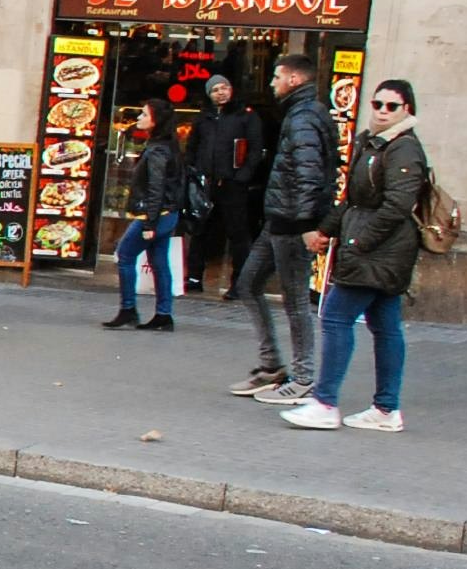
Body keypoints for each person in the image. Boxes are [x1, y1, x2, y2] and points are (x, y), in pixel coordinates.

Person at [284, 80, 426, 432]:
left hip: (380, 251)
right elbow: (352, 199)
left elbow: (397, 206)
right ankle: (386, 409)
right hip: (371, 247)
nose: (382, 110)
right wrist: (326, 230)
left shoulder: (404, 149)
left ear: (407, 110)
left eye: (392, 106)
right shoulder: (372, 142)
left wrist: (357, 242)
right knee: (385, 325)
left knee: (335, 316)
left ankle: (325, 402)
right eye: (377, 103)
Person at [232, 53, 338, 405]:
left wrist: (308, 224)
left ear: (294, 79)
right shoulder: (299, 113)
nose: (272, 82)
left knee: (294, 301)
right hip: (279, 218)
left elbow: (308, 172)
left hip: (293, 223)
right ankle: (271, 365)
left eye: (277, 77)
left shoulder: (305, 117)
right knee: (248, 284)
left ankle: (304, 377)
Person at [102, 98, 182, 333]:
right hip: (167, 213)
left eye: (144, 115)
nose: (139, 118)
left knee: (125, 254)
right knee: (159, 262)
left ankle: (129, 309)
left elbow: (156, 187)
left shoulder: (158, 150)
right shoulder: (167, 146)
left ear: (156, 121)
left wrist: (149, 221)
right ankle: (163, 315)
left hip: (155, 214)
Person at [183, 74, 261, 296]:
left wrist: (243, 175)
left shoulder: (246, 116)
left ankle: (239, 284)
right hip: (205, 183)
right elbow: (192, 147)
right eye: (216, 89)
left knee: (237, 234)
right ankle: (195, 278)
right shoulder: (203, 118)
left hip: (233, 184)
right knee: (199, 231)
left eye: (225, 87)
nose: (221, 92)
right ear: (209, 94)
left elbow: (255, 149)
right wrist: (192, 171)